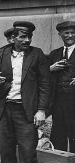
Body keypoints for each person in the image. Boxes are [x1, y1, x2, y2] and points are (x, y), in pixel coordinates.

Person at [0, 21, 50, 163]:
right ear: (13, 38)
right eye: (23, 37)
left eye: (29, 37)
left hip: (25, 111)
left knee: (28, 154)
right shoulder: (1, 54)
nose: (27, 40)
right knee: (6, 153)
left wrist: (41, 110)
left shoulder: (37, 55)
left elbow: (45, 84)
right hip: (4, 110)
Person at [49, 21, 75, 153]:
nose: (70, 35)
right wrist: (51, 68)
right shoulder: (54, 53)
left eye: (73, 32)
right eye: (66, 33)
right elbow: (41, 74)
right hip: (58, 102)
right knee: (58, 135)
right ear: (60, 35)